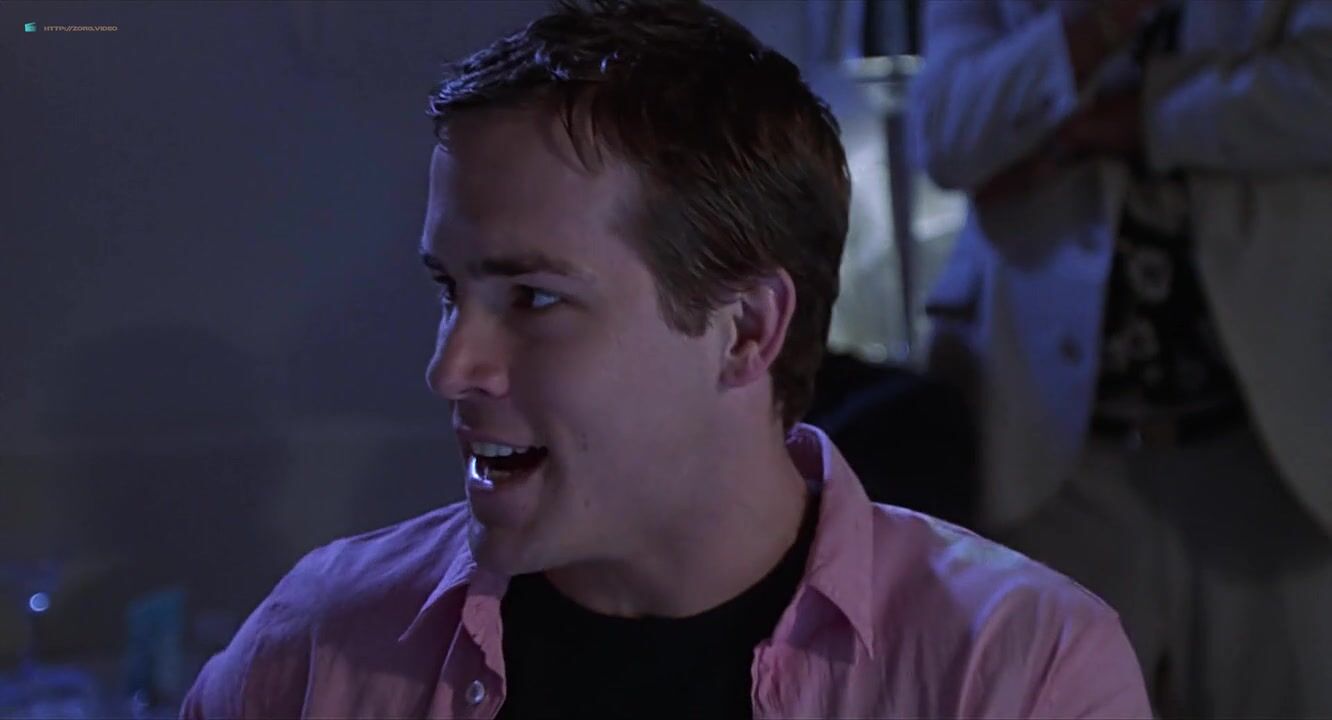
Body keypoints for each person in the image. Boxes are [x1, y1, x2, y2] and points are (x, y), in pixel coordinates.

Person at [181, 1, 1150, 717]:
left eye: (534, 298)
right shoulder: (318, 649)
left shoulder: (1017, 673)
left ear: (746, 331)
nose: (451, 368)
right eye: (450, 290)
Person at [913, 0, 1332, 716]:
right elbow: (948, 133)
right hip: (1054, 458)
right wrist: (1098, 25)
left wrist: (1129, 121)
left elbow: (1317, 94)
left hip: (1267, 447)